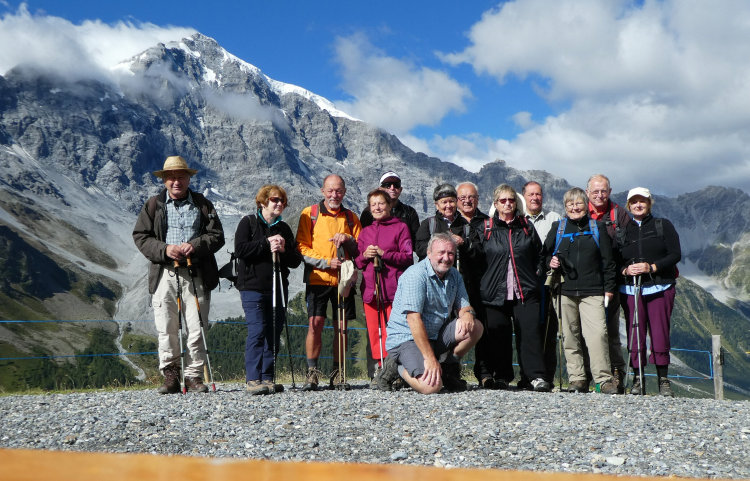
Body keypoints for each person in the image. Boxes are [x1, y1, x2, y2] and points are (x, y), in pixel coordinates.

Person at [132, 155, 224, 394]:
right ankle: (171, 376)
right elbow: (141, 237)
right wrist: (165, 250)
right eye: (171, 177)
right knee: (166, 327)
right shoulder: (153, 205)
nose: (176, 181)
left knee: (197, 327)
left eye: (181, 177)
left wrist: (196, 245)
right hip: (164, 273)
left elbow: (217, 236)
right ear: (164, 180)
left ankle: (194, 376)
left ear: (188, 178)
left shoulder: (203, 204)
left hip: (196, 273)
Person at [376, 232, 483, 394]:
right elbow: (414, 320)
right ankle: (397, 367)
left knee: (475, 327)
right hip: (408, 338)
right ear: (429, 253)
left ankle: (447, 367)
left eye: (450, 253)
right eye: (441, 253)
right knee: (432, 387)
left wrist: (467, 313)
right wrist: (430, 359)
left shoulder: (454, 275)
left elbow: (465, 307)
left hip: (435, 335)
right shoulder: (416, 275)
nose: (446, 258)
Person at [477, 184, 551, 392]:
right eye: (503, 200)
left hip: (525, 290)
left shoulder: (526, 226)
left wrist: (536, 274)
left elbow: (540, 255)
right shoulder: (487, 228)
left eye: (511, 200)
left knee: (530, 334)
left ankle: (534, 377)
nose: (508, 204)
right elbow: (478, 259)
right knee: (499, 336)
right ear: (495, 204)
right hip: (494, 291)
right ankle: (502, 376)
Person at [544, 187, 618, 394]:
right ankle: (577, 379)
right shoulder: (558, 228)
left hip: (593, 290)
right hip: (564, 291)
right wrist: (551, 261)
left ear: (586, 205)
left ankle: (603, 380)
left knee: (597, 335)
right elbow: (543, 256)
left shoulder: (597, 228)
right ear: (565, 206)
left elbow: (608, 262)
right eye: (570, 204)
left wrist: (609, 289)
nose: (575, 207)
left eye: (578, 203)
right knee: (569, 336)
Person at [234, 185, 302, 395]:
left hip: (278, 287)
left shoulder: (284, 229)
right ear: (263, 202)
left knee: (274, 332)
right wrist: (266, 243)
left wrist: (283, 249)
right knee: (257, 330)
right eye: (275, 200)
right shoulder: (248, 223)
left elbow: (295, 261)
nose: (279, 204)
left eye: (282, 200)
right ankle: (253, 378)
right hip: (253, 287)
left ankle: (268, 376)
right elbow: (241, 250)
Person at [296, 174, 361, 390]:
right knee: (315, 326)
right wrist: (325, 263)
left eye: (339, 191)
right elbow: (301, 248)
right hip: (318, 279)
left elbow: (359, 249)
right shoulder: (310, 214)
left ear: (344, 191)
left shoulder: (351, 218)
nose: (335, 195)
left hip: (344, 281)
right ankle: (312, 374)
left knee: (341, 328)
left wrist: (348, 239)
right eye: (331, 190)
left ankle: (338, 373)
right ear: (323, 191)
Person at [616, 187, 681, 396]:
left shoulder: (663, 225)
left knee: (660, 333)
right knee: (635, 333)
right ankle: (638, 379)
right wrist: (624, 269)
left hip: (660, 286)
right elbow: (614, 260)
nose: (638, 205)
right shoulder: (622, 231)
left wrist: (652, 267)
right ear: (628, 205)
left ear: (649, 203)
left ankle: (663, 380)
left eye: (642, 201)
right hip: (631, 288)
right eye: (633, 201)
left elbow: (675, 254)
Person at [355, 189, 413, 384]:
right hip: (371, 289)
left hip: (393, 289)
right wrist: (365, 256)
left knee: (394, 331)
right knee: (374, 330)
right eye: (374, 205)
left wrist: (384, 253)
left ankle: (395, 369)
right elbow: (358, 262)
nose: (378, 207)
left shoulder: (401, 227)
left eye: (381, 203)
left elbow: (407, 257)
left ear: (389, 205)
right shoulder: (365, 232)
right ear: (369, 209)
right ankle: (380, 368)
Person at [586, 174, 630, 392]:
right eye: (595, 191)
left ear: (610, 192)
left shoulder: (619, 214)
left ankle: (616, 373)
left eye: (603, 191)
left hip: (613, 282)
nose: (599, 195)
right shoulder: (580, 212)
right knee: (588, 331)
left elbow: (630, 245)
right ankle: (588, 375)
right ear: (587, 193)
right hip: (588, 282)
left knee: (611, 331)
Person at [522, 181, 562, 385]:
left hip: (548, 282)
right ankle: (526, 376)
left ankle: (547, 376)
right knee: (527, 330)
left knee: (548, 329)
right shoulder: (518, 220)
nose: (535, 198)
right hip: (524, 283)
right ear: (524, 197)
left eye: (538, 194)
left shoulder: (554, 219)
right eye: (531, 194)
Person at [414, 183, 475, 263]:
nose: (448, 205)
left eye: (451, 201)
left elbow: (477, 250)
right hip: (433, 273)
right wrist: (442, 244)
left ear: (456, 202)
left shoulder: (466, 225)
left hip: (458, 273)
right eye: (444, 202)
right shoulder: (428, 224)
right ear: (437, 205)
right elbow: (419, 249)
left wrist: (463, 242)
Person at [360, 171, 420, 243]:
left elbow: (417, 242)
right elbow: (362, 239)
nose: (392, 188)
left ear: (400, 190)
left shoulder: (409, 212)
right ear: (380, 189)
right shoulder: (369, 212)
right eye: (387, 185)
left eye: (396, 185)